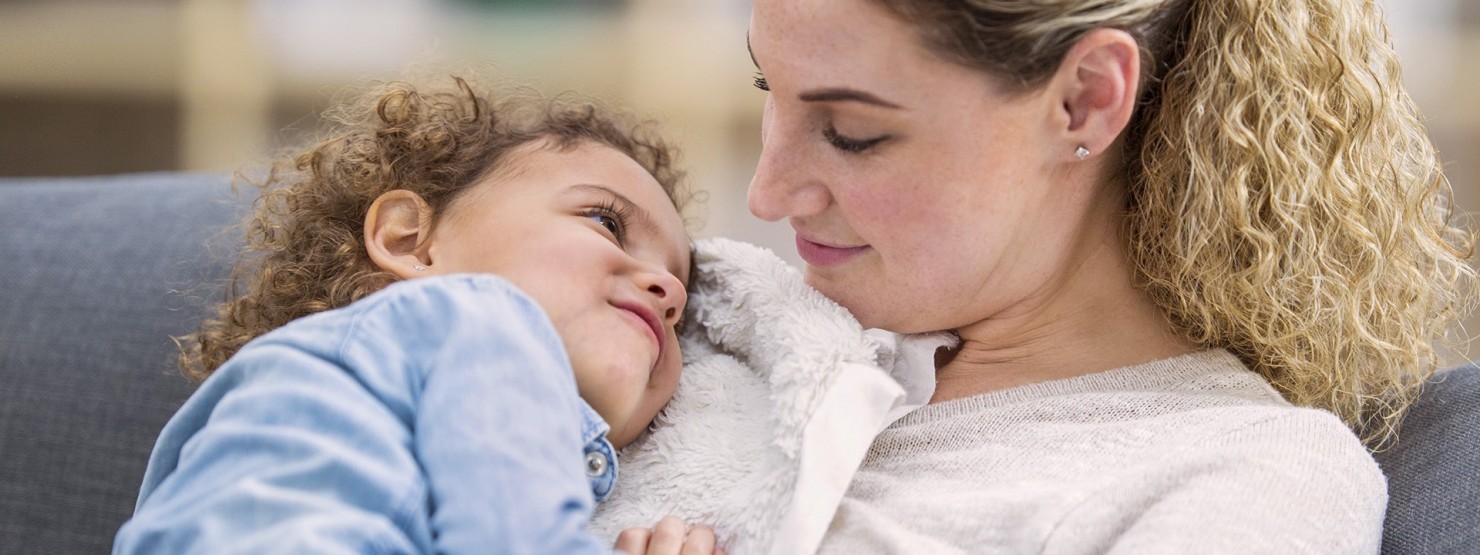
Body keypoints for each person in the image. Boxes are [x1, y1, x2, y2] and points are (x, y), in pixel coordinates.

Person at [745, 0, 1474, 552]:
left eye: (852, 132)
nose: (766, 194)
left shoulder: (1244, 476)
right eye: (763, 88)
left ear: (1086, 99)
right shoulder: (740, 321)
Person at [114, 76, 721, 554]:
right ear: (411, 242)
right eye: (607, 223)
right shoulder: (476, 321)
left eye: (680, 300)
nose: (666, 287)